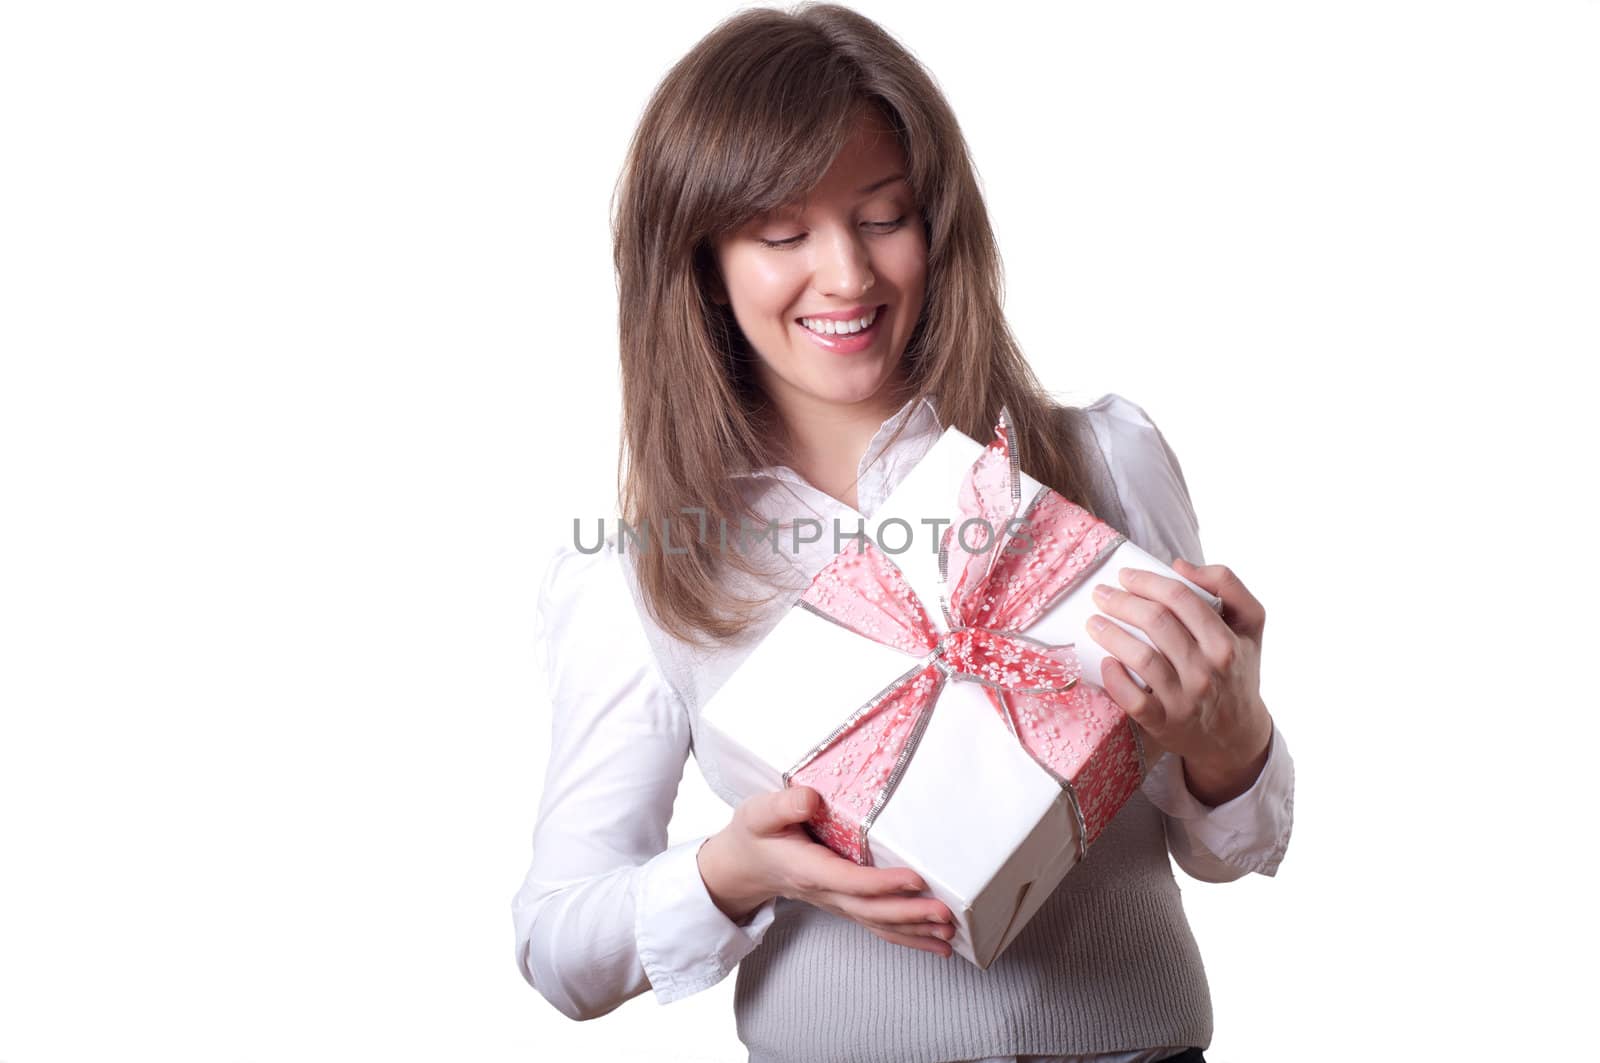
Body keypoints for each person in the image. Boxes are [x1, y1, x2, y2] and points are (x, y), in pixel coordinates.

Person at [511, 5, 1294, 1061]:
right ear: (698, 263)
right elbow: (559, 945)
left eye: (882, 217)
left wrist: (1227, 735)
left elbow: (1238, 847)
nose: (846, 275)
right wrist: (738, 870)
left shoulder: (1097, 460)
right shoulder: (645, 572)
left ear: (937, 220)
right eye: (781, 234)